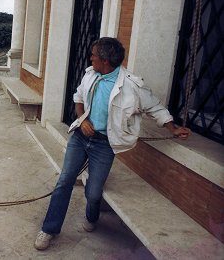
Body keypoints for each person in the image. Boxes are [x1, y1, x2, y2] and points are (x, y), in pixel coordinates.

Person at [34, 37, 191, 251]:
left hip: (104, 145)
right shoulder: (91, 74)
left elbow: (156, 108)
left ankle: (91, 217)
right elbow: (78, 98)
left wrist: (173, 128)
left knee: (94, 193)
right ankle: (49, 229)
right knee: (64, 180)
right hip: (81, 138)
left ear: (105, 61)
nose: (91, 58)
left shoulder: (132, 85)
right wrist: (82, 121)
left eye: (94, 55)